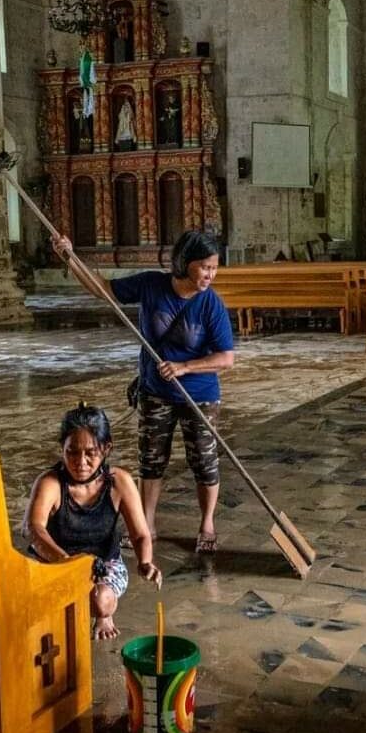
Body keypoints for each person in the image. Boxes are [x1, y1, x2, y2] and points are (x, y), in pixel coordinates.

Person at [52, 230, 235, 554]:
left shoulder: (211, 305)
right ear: (185, 263)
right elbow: (103, 290)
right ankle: (147, 522)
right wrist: (70, 258)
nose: (210, 274)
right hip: (155, 391)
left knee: (205, 463)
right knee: (152, 461)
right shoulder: (152, 285)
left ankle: (207, 523)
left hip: (200, 395)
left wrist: (185, 367)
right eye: (204, 267)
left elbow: (226, 358)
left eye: (214, 267)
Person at [25, 404, 162, 640]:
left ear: (106, 449)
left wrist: (145, 561)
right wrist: (67, 564)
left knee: (100, 600)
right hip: (56, 560)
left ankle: (103, 615)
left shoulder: (119, 482)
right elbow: (33, 528)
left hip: (103, 564)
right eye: (72, 452)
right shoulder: (51, 482)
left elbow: (140, 534)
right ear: (62, 449)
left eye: (91, 453)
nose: (81, 461)